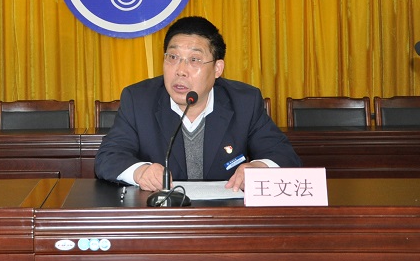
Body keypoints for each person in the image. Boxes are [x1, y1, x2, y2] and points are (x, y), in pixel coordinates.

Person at [94, 16, 301, 192]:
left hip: (225, 217)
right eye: (173, 57)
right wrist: (140, 172)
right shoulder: (138, 99)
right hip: (162, 217)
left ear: (217, 69)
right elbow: (108, 157)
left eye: (194, 60)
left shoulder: (244, 101)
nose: (180, 70)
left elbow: (284, 155)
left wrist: (259, 168)